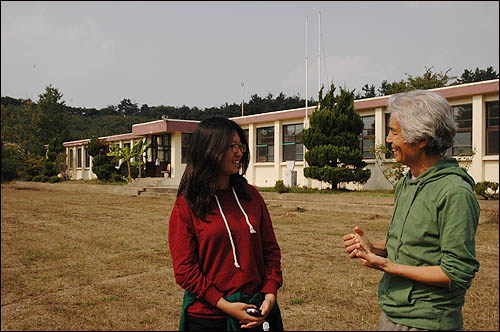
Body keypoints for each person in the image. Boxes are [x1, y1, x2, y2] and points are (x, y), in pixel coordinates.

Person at [343, 90, 480, 331]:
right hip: (393, 314)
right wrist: (375, 249)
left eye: (394, 132)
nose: (387, 139)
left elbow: (455, 274)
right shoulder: (409, 181)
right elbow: (417, 250)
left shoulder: (454, 192)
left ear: (421, 138)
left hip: (428, 322)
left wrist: (387, 266)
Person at [168, 116, 284, 331]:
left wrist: (269, 293)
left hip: (257, 309)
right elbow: (185, 270)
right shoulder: (187, 205)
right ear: (209, 150)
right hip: (208, 317)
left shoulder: (252, 196)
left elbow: (271, 251)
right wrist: (225, 305)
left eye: (240, 145)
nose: (239, 152)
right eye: (231, 146)